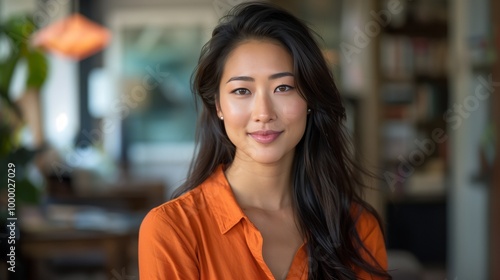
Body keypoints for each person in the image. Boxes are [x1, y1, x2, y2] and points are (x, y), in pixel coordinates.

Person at [139, 2, 391, 279]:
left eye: (283, 87)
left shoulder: (356, 228)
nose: (263, 113)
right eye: (242, 90)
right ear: (218, 106)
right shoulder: (172, 229)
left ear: (309, 98)